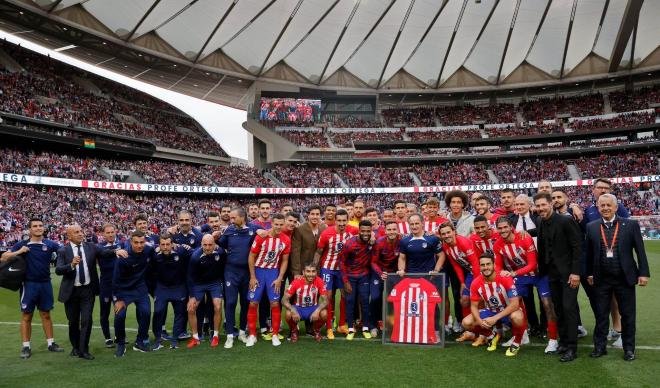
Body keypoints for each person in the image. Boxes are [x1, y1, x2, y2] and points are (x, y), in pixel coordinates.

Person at [586, 194, 650, 361]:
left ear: (615, 207)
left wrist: (643, 273)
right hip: (601, 279)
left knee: (628, 315)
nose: (605, 208)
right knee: (601, 315)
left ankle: (629, 349)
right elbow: (589, 253)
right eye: (602, 205)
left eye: (608, 205)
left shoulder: (630, 224)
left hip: (624, 278)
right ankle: (600, 347)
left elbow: (640, 251)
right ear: (598, 207)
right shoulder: (592, 226)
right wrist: (589, 273)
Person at [493, 217, 558, 353]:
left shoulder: (524, 238)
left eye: (505, 227)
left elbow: (533, 264)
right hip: (521, 276)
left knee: (547, 304)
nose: (503, 230)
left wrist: (513, 273)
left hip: (539, 274)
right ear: (496, 229)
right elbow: (497, 267)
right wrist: (503, 273)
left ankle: (553, 340)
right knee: (514, 304)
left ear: (511, 227)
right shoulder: (498, 244)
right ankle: (522, 335)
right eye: (500, 228)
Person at [1, 217, 63, 359]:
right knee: (27, 315)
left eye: (40, 225)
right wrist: (19, 252)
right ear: (30, 229)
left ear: (43, 228)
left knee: (46, 314)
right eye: (35, 226)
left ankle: (51, 343)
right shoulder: (22, 244)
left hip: (45, 283)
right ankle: (26, 346)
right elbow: (4, 257)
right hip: (28, 285)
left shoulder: (50, 244)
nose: (38, 228)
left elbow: (64, 251)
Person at [582, 178, 631, 347]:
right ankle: (611, 329)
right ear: (593, 190)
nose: (603, 190)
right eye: (599, 188)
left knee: (619, 297)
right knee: (605, 298)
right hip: (598, 263)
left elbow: (628, 229)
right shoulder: (588, 210)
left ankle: (620, 331)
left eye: (606, 188)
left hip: (616, 261)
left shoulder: (619, 208)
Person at [534, 192, 582, 362]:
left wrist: (576, 272)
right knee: (558, 309)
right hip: (551, 274)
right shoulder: (539, 221)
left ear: (550, 204)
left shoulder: (566, 220)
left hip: (569, 274)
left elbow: (577, 247)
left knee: (568, 308)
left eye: (543, 205)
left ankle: (572, 348)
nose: (541, 209)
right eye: (538, 206)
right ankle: (563, 342)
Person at [55, 224, 114, 360]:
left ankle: (84, 349)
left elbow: (104, 252)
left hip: (88, 290)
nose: (81, 234)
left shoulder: (91, 246)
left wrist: (117, 251)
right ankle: (75, 347)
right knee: (73, 322)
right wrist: (71, 265)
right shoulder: (63, 250)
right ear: (69, 236)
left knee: (87, 320)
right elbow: (58, 270)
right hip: (71, 291)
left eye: (81, 231)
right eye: (76, 232)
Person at [463, 253, 526, 357]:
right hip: (491, 311)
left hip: (507, 310)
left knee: (517, 317)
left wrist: (495, 318)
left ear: (494, 265)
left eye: (488, 264)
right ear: (479, 267)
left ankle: (516, 343)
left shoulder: (504, 277)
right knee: (466, 322)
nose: (486, 267)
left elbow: (515, 304)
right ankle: (492, 336)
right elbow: (473, 306)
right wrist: (480, 321)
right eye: (482, 265)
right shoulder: (475, 283)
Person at [217, 207, 260, 348]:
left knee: (245, 303)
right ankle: (230, 335)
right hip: (231, 271)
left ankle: (242, 332)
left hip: (247, 273)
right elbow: (221, 243)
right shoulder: (229, 230)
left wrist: (260, 231)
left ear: (243, 217)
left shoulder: (253, 229)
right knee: (230, 302)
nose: (231, 220)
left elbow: (263, 235)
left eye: (234, 217)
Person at [312, 209, 358, 339]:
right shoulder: (327, 233)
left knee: (345, 295)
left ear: (348, 220)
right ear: (335, 220)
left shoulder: (354, 231)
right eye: (339, 220)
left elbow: (366, 236)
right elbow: (319, 252)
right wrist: (314, 268)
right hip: (328, 268)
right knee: (328, 296)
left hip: (344, 270)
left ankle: (342, 324)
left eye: (344, 220)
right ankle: (329, 327)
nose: (342, 223)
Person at [246, 214, 290, 347]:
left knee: (275, 303)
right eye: (276, 224)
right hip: (258, 272)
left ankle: (275, 334)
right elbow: (251, 257)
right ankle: (252, 334)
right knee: (253, 303)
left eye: (281, 224)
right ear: (272, 223)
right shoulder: (261, 237)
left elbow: (285, 260)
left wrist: (280, 278)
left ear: (284, 225)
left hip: (273, 273)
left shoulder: (286, 240)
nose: (278, 227)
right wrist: (252, 277)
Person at [437, 222, 481, 344]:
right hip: (470, 273)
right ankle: (470, 330)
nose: (446, 235)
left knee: (479, 299)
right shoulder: (446, 246)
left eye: (448, 232)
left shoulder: (463, 242)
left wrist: (477, 283)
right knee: (464, 300)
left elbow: (475, 263)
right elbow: (456, 265)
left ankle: (488, 329)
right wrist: (462, 282)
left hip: (481, 272)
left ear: (454, 231)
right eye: (443, 234)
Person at [113, 231, 155, 357]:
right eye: (136, 242)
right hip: (124, 290)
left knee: (146, 312)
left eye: (142, 242)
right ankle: (121, 344)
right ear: (131, 242)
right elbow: (116, 279)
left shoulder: (148, 250)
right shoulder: (123, 256)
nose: (139, 245)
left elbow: (157, 249)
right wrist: (119, 299)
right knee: (120, 315)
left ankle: (140, 341)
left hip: (140, 287)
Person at [148, 233, 191, 350]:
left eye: (168, 244)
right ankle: (157, 340)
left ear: (172, 244)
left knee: (180, 313)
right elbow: (149, 274)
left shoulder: (181, 251)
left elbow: (195, 253)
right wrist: (154, 290)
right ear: (159, 245)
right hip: (162, 288)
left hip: (178, 287)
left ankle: (175, 339)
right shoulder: (154, 255)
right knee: (158, 312)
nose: (165, 247)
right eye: (163, 244)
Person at [186, 235, 225, 349]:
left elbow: (224, 266)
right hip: (199, 284)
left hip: (214, 283)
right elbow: (190, 277)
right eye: (205, 245)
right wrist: (192, 296)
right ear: (201, 244)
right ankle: (195, 337)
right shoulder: (195, 257)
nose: (207, 248)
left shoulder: (220, 252)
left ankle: (216, 335)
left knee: (217, 307)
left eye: (210, 245)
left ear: (214, 244)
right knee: (191, 308)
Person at [339, 220, 373, 340]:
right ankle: (350, 328)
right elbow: (341, 262)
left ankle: (366, 327)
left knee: (364, 300)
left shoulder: (372, 242)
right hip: (350, 277)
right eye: (363, 231)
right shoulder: (349, 244)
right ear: (359, 231)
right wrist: (346, 281)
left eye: (368, 231)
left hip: (364, 275)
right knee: (350, 301)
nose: (365, 233)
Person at [282, 263, 329, 343]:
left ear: (316, 272)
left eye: (313, 271)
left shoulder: (319, 281)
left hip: (312, 308)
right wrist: (293, 309)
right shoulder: (296, 282)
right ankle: (294, 331)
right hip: (299, 308)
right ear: (303, 272)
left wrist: (317, 311)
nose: (311, 274)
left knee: (324, 313)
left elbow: (326, 300)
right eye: (308, 271)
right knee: (288, 313)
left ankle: (316, 330)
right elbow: (284, 300)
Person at [370, 220, 401, 338]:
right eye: (389, 229)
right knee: (375, 297)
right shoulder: (379, 243)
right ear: (385, 231)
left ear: (397, 230)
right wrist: (380, 273)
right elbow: (373, 262)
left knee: (393, 299)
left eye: (394, 229)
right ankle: (373, 325)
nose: (392, 232)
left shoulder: (401, 242)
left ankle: (390, 324)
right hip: (378, 273)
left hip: (394, 275)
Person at [96, 223, 121, 348]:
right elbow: (102, 253)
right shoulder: (99, 247)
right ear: (103, 234)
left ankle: (118, 335)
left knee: (120, 312)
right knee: (104, 313)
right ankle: (107, 338)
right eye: (108, 232)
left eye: (112, 232)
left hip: (119, 285)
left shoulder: (122, 244)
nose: (111, 234)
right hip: (105, 285)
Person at [290, 205, 326, 278]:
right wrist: (296, 272)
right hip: (304, 267)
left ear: (320, 216)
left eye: (317, 214)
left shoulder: (324, 228)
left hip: (319, 267)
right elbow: (295, 252)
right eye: (312, 214)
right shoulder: (299, 229)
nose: (315, 216)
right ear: (308, 215)